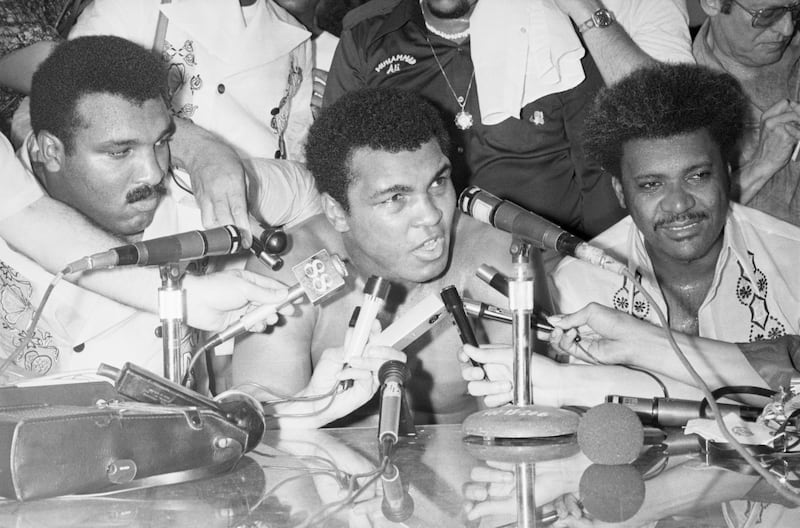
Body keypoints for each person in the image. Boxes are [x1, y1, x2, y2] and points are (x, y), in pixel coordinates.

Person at [462, 63, 800, 408]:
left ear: (727, 176)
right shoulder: (578, 286)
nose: (679, 203)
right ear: (621, 193)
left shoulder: (793, 263)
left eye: (697, 176)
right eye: (651, 185)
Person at [0, 35, 321, 381]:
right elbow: (27, 217)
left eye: (163, 142)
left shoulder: (199, 194)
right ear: (50, 151)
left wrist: (241, 357)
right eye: (119, 152)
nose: (154, 173)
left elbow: (311, 196)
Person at [233, 87, 554, 425]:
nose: (431, 216)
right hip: (328, 474)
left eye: (437, 183)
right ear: (337, 212)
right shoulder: (290, 269)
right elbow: (257, 431)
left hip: (473, 473)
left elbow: (529, 429)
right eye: (396, 198)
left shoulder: (499, 262)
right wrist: (313, 408)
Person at [323, 0, 694, 238]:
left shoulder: (551, 30)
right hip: (420, 253)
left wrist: (594, 266)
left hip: (548, 260)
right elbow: (338, 166)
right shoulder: (368, 37)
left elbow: (598, 170)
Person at [67, 0, 314, 162]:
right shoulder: (133, 5)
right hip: (151, 217)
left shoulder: (297, 36)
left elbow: (296, 149)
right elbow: (75, 98)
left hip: (260, 223)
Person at [693, 0, 800, 226]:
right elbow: (683, 226)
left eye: (795, 8)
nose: (787, 28)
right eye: (767, 14)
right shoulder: (678, 97)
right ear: (712, 3)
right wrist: (761, 166)